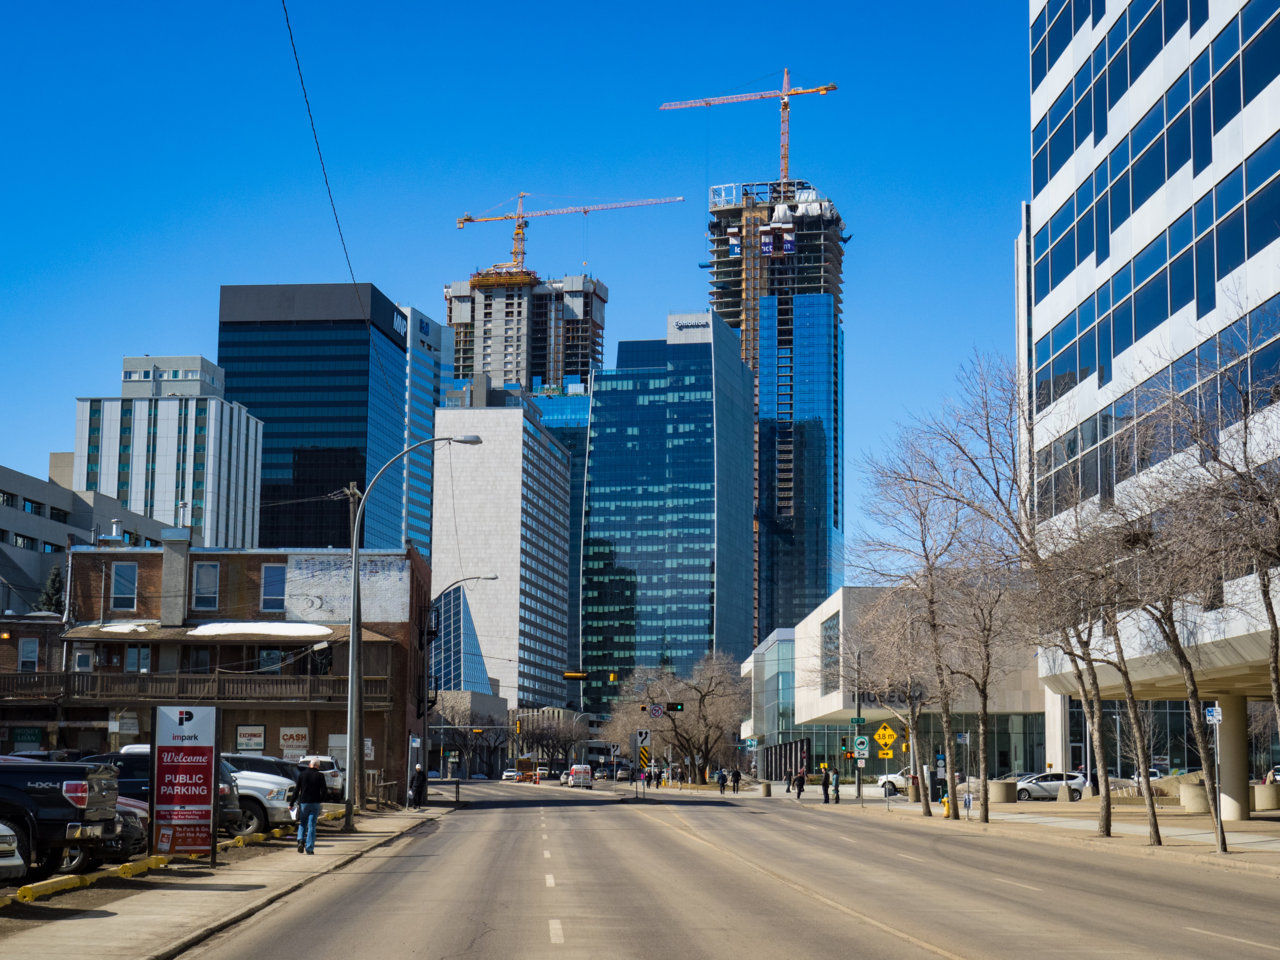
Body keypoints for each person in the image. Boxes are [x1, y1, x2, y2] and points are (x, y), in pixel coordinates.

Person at [295, 758, 327, 855]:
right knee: (312, 825)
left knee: (302, 823)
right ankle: (309, 848)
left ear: (310, 765)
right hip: (315, 803)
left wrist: (291, 803)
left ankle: (300, 840)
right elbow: (324, 790)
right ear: (318, 766)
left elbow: (296, 790)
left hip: (304, 802)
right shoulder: (320, 776)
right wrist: (321, 799)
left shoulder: (302, 774)